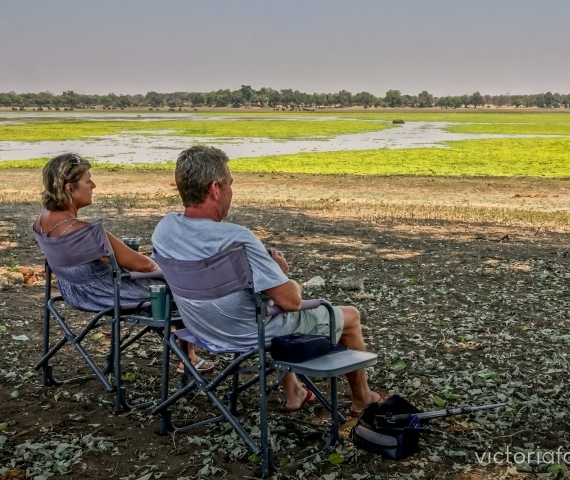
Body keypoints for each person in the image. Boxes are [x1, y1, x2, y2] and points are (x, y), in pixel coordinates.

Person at [151, 145, 383, 414]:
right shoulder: (236, 238)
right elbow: (291, 301)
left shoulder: (165, 229)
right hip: (247, 333)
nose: (232, 193)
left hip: (201, 328)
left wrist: (265, 275)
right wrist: (279, 272)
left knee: (258, 300)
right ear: (215, 189)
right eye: (230, 185)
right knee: (349, 316)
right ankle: (362, 398)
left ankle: (294, 391)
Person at [34, 153, 213, 373]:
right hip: (108, 293)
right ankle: (189, 357)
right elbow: (144, 266)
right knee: (184, 284)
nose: (94, 185)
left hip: (74, 289)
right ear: (70, 188)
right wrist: (167, 268)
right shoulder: (83, 232)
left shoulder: (42, 221)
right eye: (88, 180)